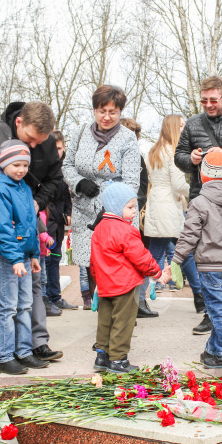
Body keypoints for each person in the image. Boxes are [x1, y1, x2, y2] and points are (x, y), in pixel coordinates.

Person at [0, 101, 63, 363]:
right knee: (2, 286)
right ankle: (10, 349)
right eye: (30, 139)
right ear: (19, 123)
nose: (33, 147)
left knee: (32, 285)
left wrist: (37, 203)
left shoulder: (45, 141)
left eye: (38, 142)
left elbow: (54, 180)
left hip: (27, 221)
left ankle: (34, 343)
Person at [175, 75, 222, 326]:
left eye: (213, 100)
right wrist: (191, 159)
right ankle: (210, 311)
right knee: (202, 255)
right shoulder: (193, 124)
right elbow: (179, 156)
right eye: (204, 100)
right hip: (202, 197)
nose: (208, 105)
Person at [173, 149, 222, 368]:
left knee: (218, 312)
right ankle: (213, 350)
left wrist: (176, 260)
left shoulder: (199, 203)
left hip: (210, 268)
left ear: (203, 174)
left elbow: (189, 235)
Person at [62, 85, 140, 297]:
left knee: (118, 263)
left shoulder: (127, 138)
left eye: (112, 112)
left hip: (116, 213)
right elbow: (67, 165)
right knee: (92, 263)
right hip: (85, 209)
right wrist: (78, 183)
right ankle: (101, 308)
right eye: (101, 111)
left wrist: (113, 206)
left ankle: (124, 308)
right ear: (95, 110)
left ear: (120, 112)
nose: (106, 117)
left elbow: (132, 181)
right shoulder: (80, 132)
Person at [91, 182, 170, 373]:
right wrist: (157, 273)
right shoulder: (126, 230)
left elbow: (93, 259)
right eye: (130, 207)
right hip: (125, 284)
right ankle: (118, 358)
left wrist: (97, 279)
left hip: (105, 284)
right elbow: (141, 257)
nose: (135, 211)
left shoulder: (99, 229)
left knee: (105, 320)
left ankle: (102, 355)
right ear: (117, 207)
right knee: (123, 321)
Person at [0, 141, 50, 374]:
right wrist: (14, 259)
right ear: (4, 163)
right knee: (8, 307)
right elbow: (2, 227)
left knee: (25, 305)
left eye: (25, 165)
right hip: (6, 257)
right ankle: (4, 357)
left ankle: (24, 351)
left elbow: (30, 223)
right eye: (16, 165)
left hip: (24, 255)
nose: (21, 169)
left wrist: (33, 254)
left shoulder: (23, 187)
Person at [144, 115, 190, 288]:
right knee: (182, 251)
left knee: (157, 252)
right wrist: (195, 191)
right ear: (172, 128)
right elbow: (178, 184)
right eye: (181, 126)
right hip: (169, 204)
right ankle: (198, 293)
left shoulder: (153, 152)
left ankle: (145, 293)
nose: (184, 129)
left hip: (156, 201)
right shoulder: (173, 152)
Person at [120, 117, 158, 318]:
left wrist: (137, 207)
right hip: (122, 215)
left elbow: (142, 187)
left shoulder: (138, 158)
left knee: (137, 260)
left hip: (134, 213)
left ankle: (139, 302)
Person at [44, 131, 75, 312]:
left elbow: (65, 196)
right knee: (47, 259)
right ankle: (47, 298)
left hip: (58, 222)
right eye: (53, 148)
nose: (57, 152)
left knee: (56, 258)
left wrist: (68, 212)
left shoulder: (65, 170)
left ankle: (55, 296)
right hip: (47, 221)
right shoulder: (44, 168)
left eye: (59, 148)